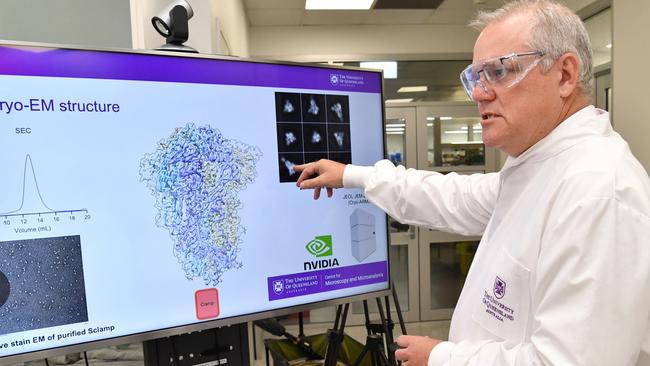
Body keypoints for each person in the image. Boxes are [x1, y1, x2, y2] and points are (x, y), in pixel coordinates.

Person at [294, 0, 650, 365]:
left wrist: (442, 357)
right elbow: (449, 196)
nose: (479, 93)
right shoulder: (539, 170)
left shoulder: (597, 191)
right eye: (476, 77)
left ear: (564, 75)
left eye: (499, 71)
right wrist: (351, 175)